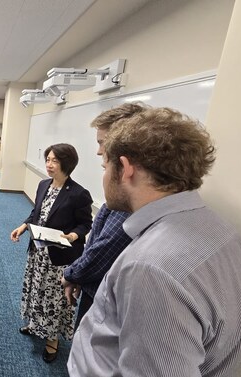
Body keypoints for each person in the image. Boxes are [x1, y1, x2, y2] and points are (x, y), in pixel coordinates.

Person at [68, 107, 241, 376]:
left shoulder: (150, 269)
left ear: (125, 169)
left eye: (105, 166)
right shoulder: (222, 233)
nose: (103, 175)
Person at [61, 103, 147, 328]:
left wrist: (73, 274)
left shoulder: (129, 199)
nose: (99, 151)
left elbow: (106, 246)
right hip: (94, 283)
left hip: (104, 295)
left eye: (102, 142)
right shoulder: (123, 195)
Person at [10, 143, 93, 363]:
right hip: (38, 252)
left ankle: (52, 340)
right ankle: (34, 323)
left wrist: (73, 236)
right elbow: (35, 214)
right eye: (47, 159)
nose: (49, 164)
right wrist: (24, 226)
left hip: (58, 257)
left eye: (54, 160)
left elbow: (85, 224)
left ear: (67, 163)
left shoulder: (79, 194)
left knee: (54, 299)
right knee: (36, 290)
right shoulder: (43, 185)